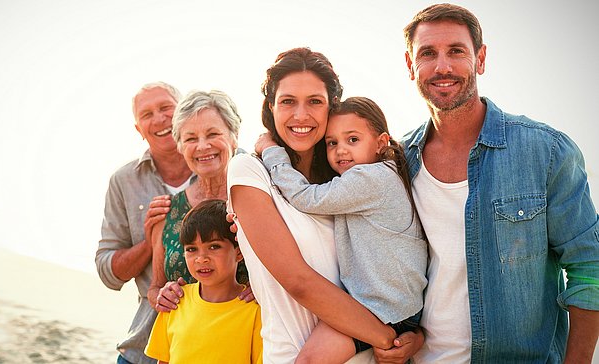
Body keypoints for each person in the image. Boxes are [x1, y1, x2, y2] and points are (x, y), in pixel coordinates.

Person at [399, 3, 599, 362]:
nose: (442, 66)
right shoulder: (397, 163)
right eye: (428, 53)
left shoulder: (546, 151)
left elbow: (590, 267)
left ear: (480, 58)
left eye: (456, 51)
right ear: (411, 66)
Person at [225, 47, 396, 363]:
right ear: (271, 107)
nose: (301, 116)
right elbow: (298, 282)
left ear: (332, 106)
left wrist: (410, 334)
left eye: (315, 102)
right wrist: (388, 337)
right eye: (288, 101)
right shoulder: (249, 171)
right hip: (298, 356)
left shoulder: (350, 178)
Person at [255, 96, 428, 363]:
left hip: (380, 307)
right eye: (332, 143)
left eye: (353, 140)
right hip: (394, 307)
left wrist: (271, 151)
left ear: (381, 143)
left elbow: (305, 197)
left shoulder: (370, 178)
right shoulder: (379, 176)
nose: (341, 150)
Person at [95, 81, 193, 364]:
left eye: (166, 107)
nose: (159, 119)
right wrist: (151, 244)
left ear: (184, 111)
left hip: (215, 344)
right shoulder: (124, 181)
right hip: (144, 349)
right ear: (139, 129)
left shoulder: (227, 163)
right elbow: (108, 271)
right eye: (147, 114)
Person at [146, 89, 248, 309]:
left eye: (213, 135)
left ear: (233, 138)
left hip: (254, 335)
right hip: (190, 339)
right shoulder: (167, 212)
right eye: (191, 138)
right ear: (181, 147)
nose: (202, 146)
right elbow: (155, 287)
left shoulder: (257, 199)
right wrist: (162, 296)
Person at [144, 199, 262, 364]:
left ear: (239, 252)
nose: (201, 259)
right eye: (192, 249)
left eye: (214, 247)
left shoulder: (256, 311)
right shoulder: (174, 302)